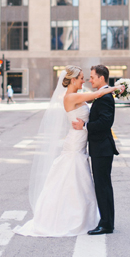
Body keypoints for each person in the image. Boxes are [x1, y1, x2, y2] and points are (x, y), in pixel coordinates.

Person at [16, 66, 115, 237]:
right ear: (73, 80)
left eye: (88, 77)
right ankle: (70, 217)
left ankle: (89, 218)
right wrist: (116, 88)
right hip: (75, 144)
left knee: (82, 182)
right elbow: (97, 95)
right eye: (82, 78)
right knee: (72, 179)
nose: (85, 81)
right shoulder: (71, 97)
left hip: (81, 143)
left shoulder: (79, 97)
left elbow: (97, 103)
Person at [71, 64, 119, 235]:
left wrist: (85, 125)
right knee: (102, 186)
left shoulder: (105, 97)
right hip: (100, 148)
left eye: (92, 77)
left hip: (103, 149)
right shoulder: (101, 95)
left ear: (101, 78)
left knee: (102, 186)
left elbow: (106, 123)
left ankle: (106, 224)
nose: (90, 80)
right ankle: (107, 221)